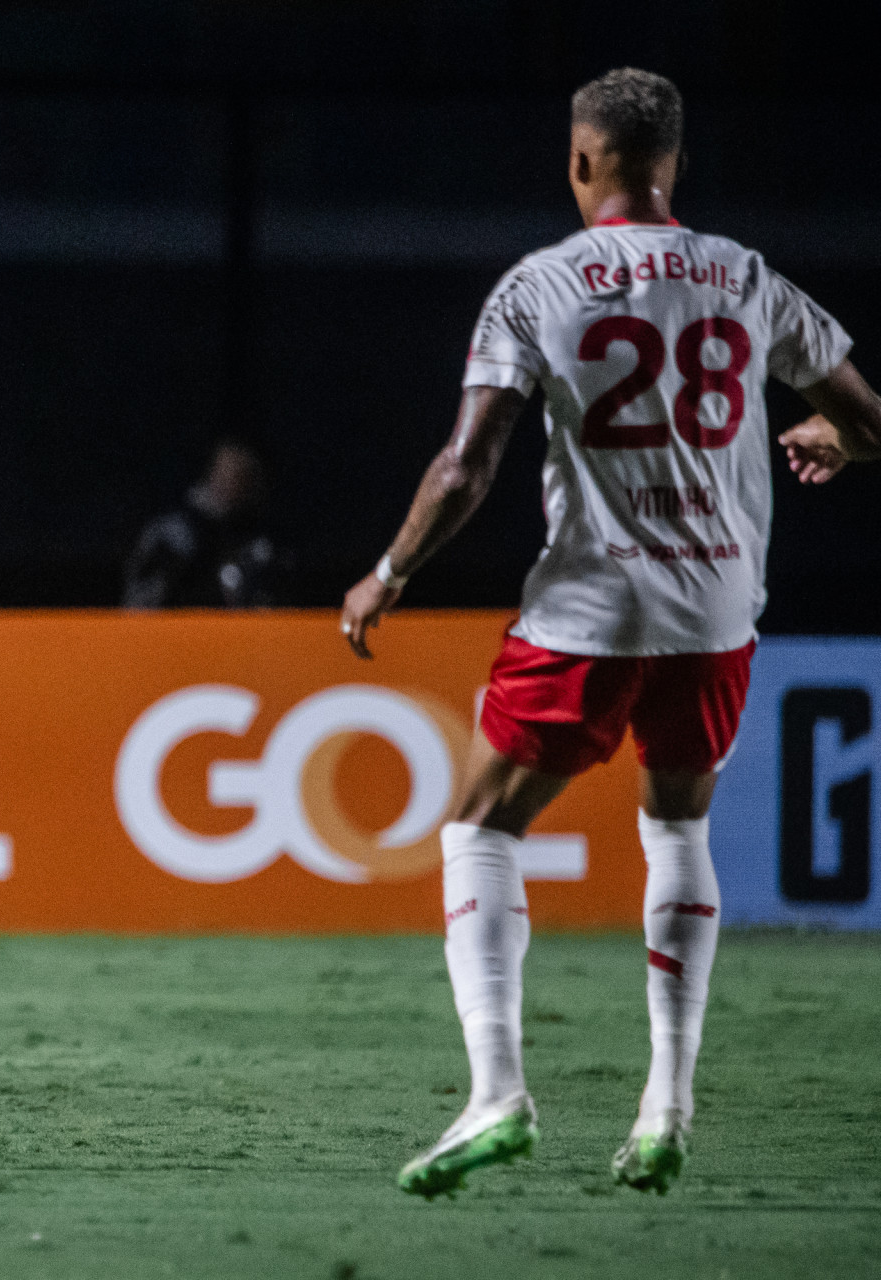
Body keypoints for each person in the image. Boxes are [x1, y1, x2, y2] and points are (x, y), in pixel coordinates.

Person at [339, 68, 881, 1199]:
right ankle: (666, 1106)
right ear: (672, 165)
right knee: (678, 830)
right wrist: (836, 434)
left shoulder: (539, 284)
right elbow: (872, 421)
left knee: (482, 828)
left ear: (583, 162)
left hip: (594, 605)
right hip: (723, 608)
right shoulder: (744, 275)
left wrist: (388, 571)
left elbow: (469, 464)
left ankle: (499, 1093)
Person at [124, 439, 286, 608]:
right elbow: (140, 598)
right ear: (211, 473)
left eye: (240, 476)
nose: (230, 483)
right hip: (174, 629)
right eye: (224, 473)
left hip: (232, 631)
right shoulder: (174, 532)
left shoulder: (255, 539)